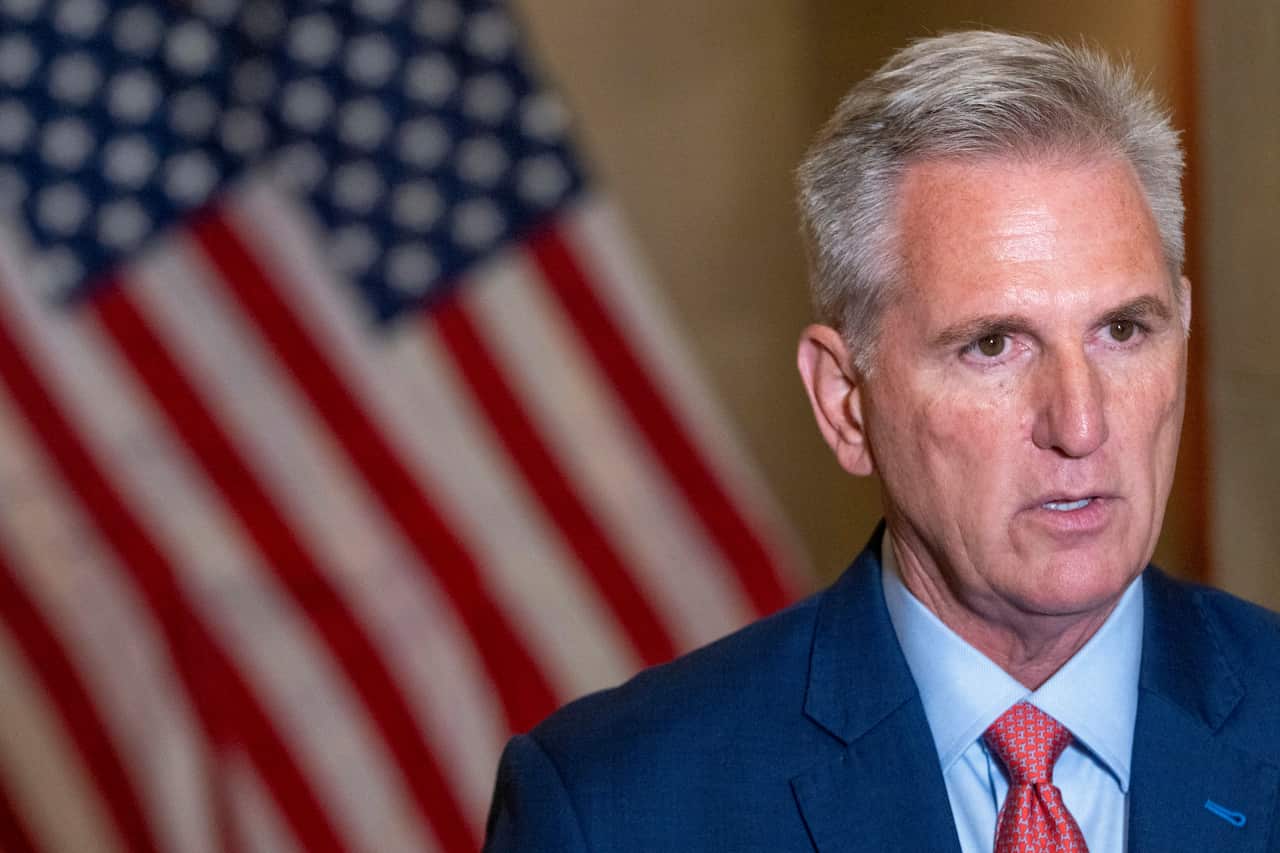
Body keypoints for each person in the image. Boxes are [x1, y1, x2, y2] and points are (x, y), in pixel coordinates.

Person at [483, 30, 1280, 853]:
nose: (1080, 425)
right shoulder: (617, 808)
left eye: (1122, 329)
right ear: (845, 403)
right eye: (993, 345)